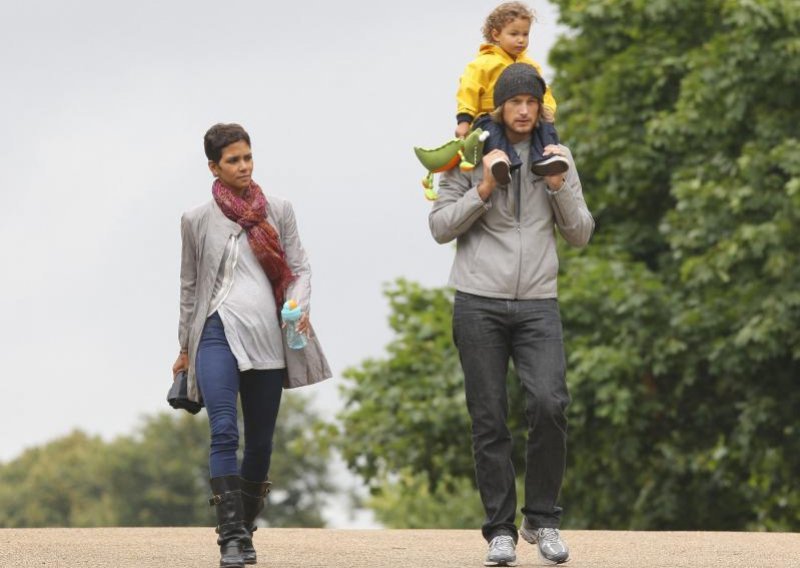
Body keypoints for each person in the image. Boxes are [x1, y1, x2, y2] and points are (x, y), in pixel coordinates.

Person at [429, 63, 594, 566]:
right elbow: (439, 227)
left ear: (542, 106)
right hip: (478, 301)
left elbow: (581, 233)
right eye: (514, 101)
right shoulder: (468, 156)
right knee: (488, 418)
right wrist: (483, 189)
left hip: (539, 303)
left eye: (532, 102)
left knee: (550, 404)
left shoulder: (557, 156)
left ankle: (541, 519)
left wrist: (560, 185)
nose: (524, 110)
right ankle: (499, 530)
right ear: (498, 106)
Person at [172, 123, 331, 568]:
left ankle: (244, 524)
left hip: (267, 335)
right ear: (214, 167)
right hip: (215, 332)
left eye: (247, 157)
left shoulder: (278, 210)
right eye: (232, 160)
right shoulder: (196, 219)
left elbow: (300, 267)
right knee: (224, 428)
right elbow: (189, 287)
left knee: (260, 442)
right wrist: (184, 347)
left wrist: (297, 304)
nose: (243, 166)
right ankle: (231, 538)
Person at [454, 2, 569, 182]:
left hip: (523, 119)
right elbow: (469, 89)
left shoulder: (530, 65)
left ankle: (548, 156)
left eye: (525, 34)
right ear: (496, 34)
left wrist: (547, 109)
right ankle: (502, 162)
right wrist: (464, 120)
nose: (521, 39)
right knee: (491, 131)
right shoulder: (484, 63)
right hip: (490, 116)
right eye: (514, 34)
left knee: (546, 125)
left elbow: (543, 91)